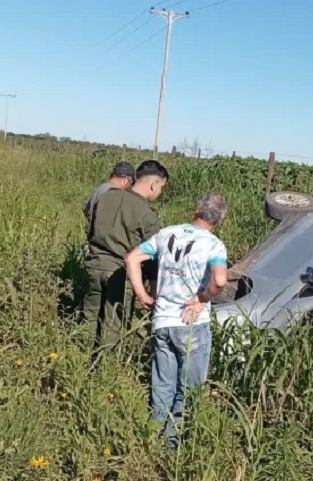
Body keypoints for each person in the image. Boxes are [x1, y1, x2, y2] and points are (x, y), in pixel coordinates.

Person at [124, 192, 229, 449]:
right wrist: (202, 298)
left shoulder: (167, 233)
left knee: (162, 383)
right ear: (219, 221)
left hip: (162, 320)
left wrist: (142, 294)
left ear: (196, 209)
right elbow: (219, 280)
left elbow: (132, 258)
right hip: (192, 324)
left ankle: (154, 437)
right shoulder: (214, 245)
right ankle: (175, 444)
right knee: (189, 388)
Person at [83, 160, 169, 367]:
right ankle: (104, 370)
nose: (160, 193)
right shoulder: (147, 215)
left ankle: (79, 359)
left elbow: (90, 229)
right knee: (113, 326)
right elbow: (152, 259)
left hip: (94, 265)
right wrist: (153, 291)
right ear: (153, 184)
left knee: (90, 317)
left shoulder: (106, 197)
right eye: (161, 187)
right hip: (121, 274)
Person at [82, 161, 134, 239]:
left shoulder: (101, 188)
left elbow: (85, 208)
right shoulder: (114, 193)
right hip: (104, 241)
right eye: (129, 185)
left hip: (92, 238)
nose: (127, 189)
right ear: (125, 180)